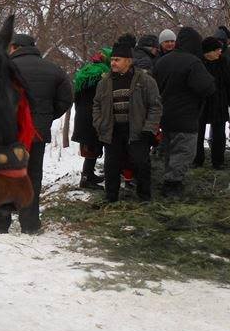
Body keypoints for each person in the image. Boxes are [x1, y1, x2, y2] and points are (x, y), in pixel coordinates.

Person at [0, 34, 72, 234]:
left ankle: (1, 223)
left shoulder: (2, 70)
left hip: (7, 135)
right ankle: (30, 224)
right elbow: (66, 99)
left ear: (14, 48)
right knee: (32, 176)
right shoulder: (54, 70)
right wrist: (47, 116)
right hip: (37, 133)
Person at [92, 39, 162, 202]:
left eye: (117, 60)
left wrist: (149, 129)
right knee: (111, 165)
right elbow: (96, 104)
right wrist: (99, 123)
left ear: (129, 61)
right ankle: (111, 198)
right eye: (112, 60)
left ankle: (144, 197)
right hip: (113, 131)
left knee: (141, 163)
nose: (113, 63)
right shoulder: (104, 82)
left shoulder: (145, 81)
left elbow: (155, 106)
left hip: (138, 130)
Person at [153, 27, 216, 196]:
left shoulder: (162, 61)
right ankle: (172, 185)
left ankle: (169, 178)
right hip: (186, 117)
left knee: (170, 150)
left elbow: (155, 87)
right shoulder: (193, 63)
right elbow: (207, 87)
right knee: (184, 151)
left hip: (165, 116)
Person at [71, 48, 110, 189]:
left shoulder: (84, 72)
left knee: (90, 147)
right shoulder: (103, 74)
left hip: (82, 115)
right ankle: (86, 179)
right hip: (94, 115)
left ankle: (88, 175)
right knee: (93, 146)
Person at [195, 37, 230, 169]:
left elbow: (228, 83)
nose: (219, 52)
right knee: (198, 131)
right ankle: (197, 160)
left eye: (220, 49)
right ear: (207, 52)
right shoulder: (198, 63)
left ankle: (218, 161)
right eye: (216, 50)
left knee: (219, 133)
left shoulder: (223, 62)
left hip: (219, 102)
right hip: (201, 103)